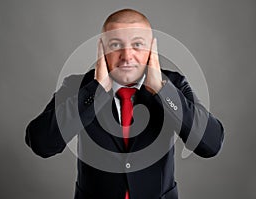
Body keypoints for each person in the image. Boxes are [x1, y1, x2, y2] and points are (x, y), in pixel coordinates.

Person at [25, 8, 224, 199]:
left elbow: (210, 143)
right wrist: (97, 92)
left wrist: (161, 90)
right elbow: (42, 143)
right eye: (115, 45)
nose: (127, 56)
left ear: (151, 49)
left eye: (137, 44)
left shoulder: (174, 85)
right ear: (102, 49)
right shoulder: (77, 87)